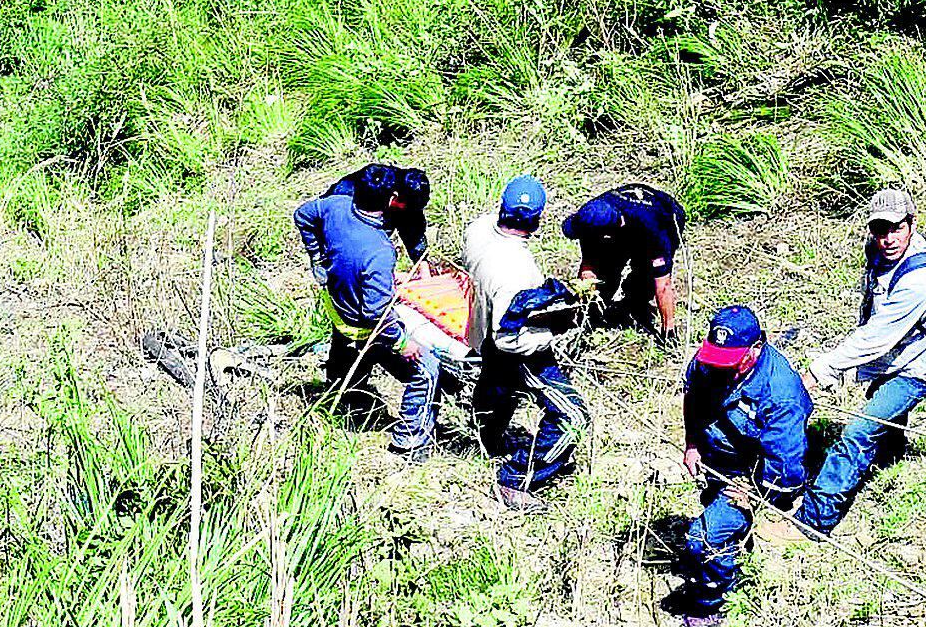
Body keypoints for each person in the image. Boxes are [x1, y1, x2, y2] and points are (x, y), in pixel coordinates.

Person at [776, 189, 926, 540]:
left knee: (858, 432)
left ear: (911, 224)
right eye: (879, 230)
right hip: (892, 358)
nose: (887, 239)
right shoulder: (879, 251)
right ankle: (890, 454)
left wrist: (820, 371)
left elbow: (877, 337)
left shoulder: (922, 279)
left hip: (916, 367)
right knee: (881, 410)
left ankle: (815, 519)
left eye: (895, 229)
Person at [293, 163, 442, 460]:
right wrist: (403, 343)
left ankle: (343, 387)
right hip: (365, 323)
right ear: (391, 200)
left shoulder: (335, 207)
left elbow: (303, 214)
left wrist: (319, 258)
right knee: (427, 370)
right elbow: (377, 314)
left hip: (338, 303)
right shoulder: (378, 251)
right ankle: (410, 441)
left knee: (346, 348)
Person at [677, 305, 812, 627]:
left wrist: (754, 491)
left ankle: (714, 603)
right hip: (714, 454)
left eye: (731, 362)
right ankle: (733, 553)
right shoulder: (709, 359)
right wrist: (692, 442)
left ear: (756, 348)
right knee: (713, 511)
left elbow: (786, 467)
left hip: (752, 473)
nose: (720, 368)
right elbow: (693, 397)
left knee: (704, 538)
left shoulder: (781, 394)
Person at [460, 176, 590, 511]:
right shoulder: (518, 272)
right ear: (537, 219)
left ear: (501, 206)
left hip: (480, 328)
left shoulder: (476, 231)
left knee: (497, 386)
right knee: (573, 418)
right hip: (514, 348)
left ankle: (486, 441)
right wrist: (553, 329)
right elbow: (510, 340)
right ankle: (515, 478)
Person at [561, 183, 687, 338]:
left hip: (665, 217)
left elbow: (663, 285)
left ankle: (636, 303)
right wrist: (586, 307)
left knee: (644, 275)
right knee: (607, 269)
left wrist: (669, 331)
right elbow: (589, 266)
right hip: (619, 224)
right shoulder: (591, 217)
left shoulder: (654, 230)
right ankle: (596, 312)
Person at [322, 164, 432, 266]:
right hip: (336, 232)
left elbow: (413, 230)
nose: (405, 210)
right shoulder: (356, 192)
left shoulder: (408, 191)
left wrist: (422, 264)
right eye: (403, 206)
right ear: (395, 196)